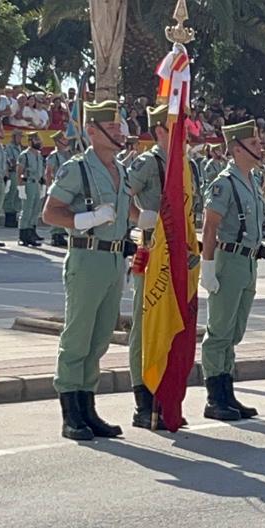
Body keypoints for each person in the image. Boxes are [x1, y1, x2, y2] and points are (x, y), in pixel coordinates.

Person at [41, 100, 157, 440]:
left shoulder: (120, 170)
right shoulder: (77, 168)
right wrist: (85, 220)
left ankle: (88, 407)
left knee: (100, 337)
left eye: (120, 126)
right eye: (114, 126)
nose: (120, 132)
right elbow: (50, 213)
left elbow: (128, 211)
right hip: (86, 257)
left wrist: (145, 218)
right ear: (93, 131)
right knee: (78, 336)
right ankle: (70, 412)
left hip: (113, 261)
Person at [199, 120, 265, 421]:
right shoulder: (224, 183)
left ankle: (227, 391)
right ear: (236, 148)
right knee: (220, 331)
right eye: (253, 144)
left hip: (249, 261)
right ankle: (215, 397)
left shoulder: (251, 181)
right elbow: (210, 225)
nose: (260, 148)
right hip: (229, 258)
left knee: (234, 331)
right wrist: (208, 266)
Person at [124, 104, 177, 429]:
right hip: (152, 249)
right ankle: (143, 398)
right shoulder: (148, 162)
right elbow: (122, 195)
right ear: (160, 130)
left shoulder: (184, 165)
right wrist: (141, 219)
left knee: (170, 321)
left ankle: (164, 396)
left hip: (176, 254)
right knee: (144, 324)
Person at [16, 132, 45, 247]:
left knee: (36, 209)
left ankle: (31, 231)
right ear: (30, 142)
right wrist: (20, 187)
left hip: (36, 183)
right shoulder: (25, 155)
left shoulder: (39, 155)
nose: (38, 142)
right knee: (27, 209)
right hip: (28, 183)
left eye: (39, 140)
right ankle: (23, 234)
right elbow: (19, 172)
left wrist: (43, 184)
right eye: (36, 140)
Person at [45, 132, 74, 247]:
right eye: (63, 139)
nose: (66, 141)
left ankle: (61, 233)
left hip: (69, 187)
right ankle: (55, 235)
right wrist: (48, 187)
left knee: (65, 210)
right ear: (58, 142)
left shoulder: (68, 154)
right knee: (56, 209)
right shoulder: (54, 156)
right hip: (59, 186)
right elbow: (48, 172)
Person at [3, 129, 24, 229]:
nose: (20, 139)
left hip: (18, 173)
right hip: (12, 173)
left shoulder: (20, 148)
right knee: (10, 196)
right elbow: (11, 161)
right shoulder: (9, 148)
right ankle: (9, 218)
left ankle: (13, 216)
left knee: (17, 196)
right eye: (19, 136)